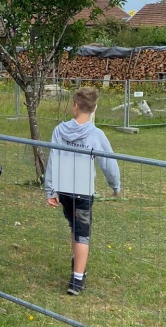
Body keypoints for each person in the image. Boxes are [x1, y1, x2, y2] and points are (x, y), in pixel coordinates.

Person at [44, 86, 120, 295]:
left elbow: (53, 160)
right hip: (82, 192)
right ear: (93, 109)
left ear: (75, 106)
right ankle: (77, 279)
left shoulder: (59, 130)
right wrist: (115, 185)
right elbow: (108, 162)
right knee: (82, 234)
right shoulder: (96, 135)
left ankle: (77, 262)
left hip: (64, 190)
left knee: (74, 228)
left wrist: (51, 190)